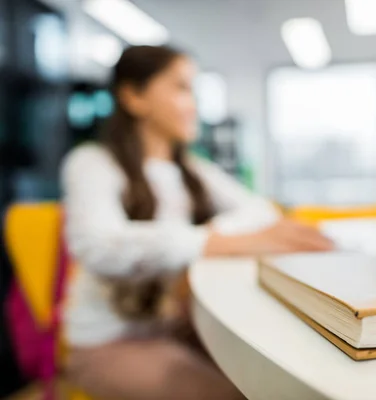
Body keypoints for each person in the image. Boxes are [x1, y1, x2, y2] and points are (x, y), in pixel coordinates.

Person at [61, 45, 333, 400]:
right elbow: (99, 245)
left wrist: (220, 237)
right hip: (107, 343)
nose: (194, 105)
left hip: (174, 326)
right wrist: (216, 242)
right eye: (181, 88)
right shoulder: (92, 163)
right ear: (133, 97)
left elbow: (261, 212)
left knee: (277, 378)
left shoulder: (191, 169)